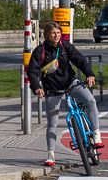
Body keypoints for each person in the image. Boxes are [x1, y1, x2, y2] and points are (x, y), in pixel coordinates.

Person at [28, 20, 99, 167]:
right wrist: (36, 87)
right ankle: (50, 155)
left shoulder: (66, 46)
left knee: (91, 101)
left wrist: (89, 74)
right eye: (53, 33)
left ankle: (96, 134)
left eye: (58, 33)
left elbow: (80, 60)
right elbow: (32, 72)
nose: (56, 35)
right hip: (52, 90)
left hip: (71, 83)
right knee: (52, 123)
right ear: (47, 35)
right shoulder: (40, 51)